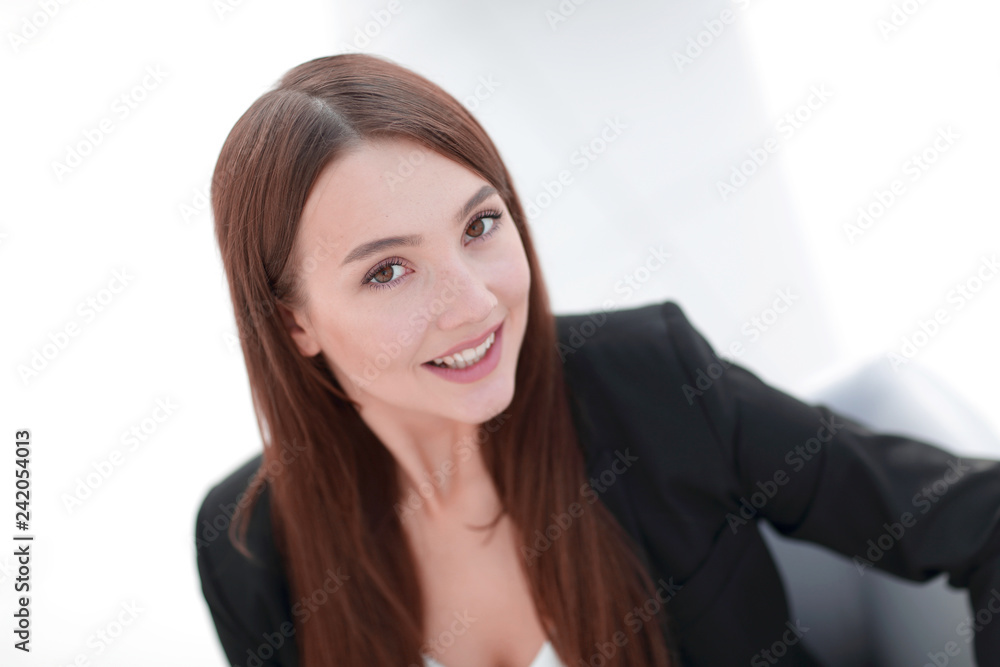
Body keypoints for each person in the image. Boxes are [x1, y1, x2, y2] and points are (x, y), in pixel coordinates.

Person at [194, 53, 1000, 667]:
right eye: (388, 271)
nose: (474, 303)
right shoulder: (249, 550)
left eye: (479, 225)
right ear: (294, 322)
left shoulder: (652, 384)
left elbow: (985, 517)